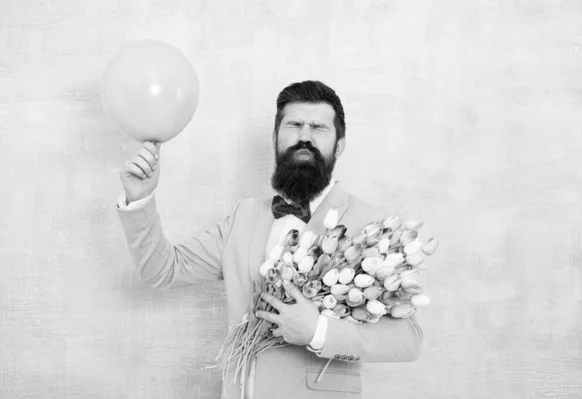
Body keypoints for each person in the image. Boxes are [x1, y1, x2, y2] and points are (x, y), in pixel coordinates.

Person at [116, 80, 423, 399]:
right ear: (275, 137)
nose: (305, 135)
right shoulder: (243, 216)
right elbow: (162, 270)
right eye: (294, 125)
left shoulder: (371, 226)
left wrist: (318, 331)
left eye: (319, 127)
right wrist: (140, 199)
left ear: (340, 144)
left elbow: (408, 338)